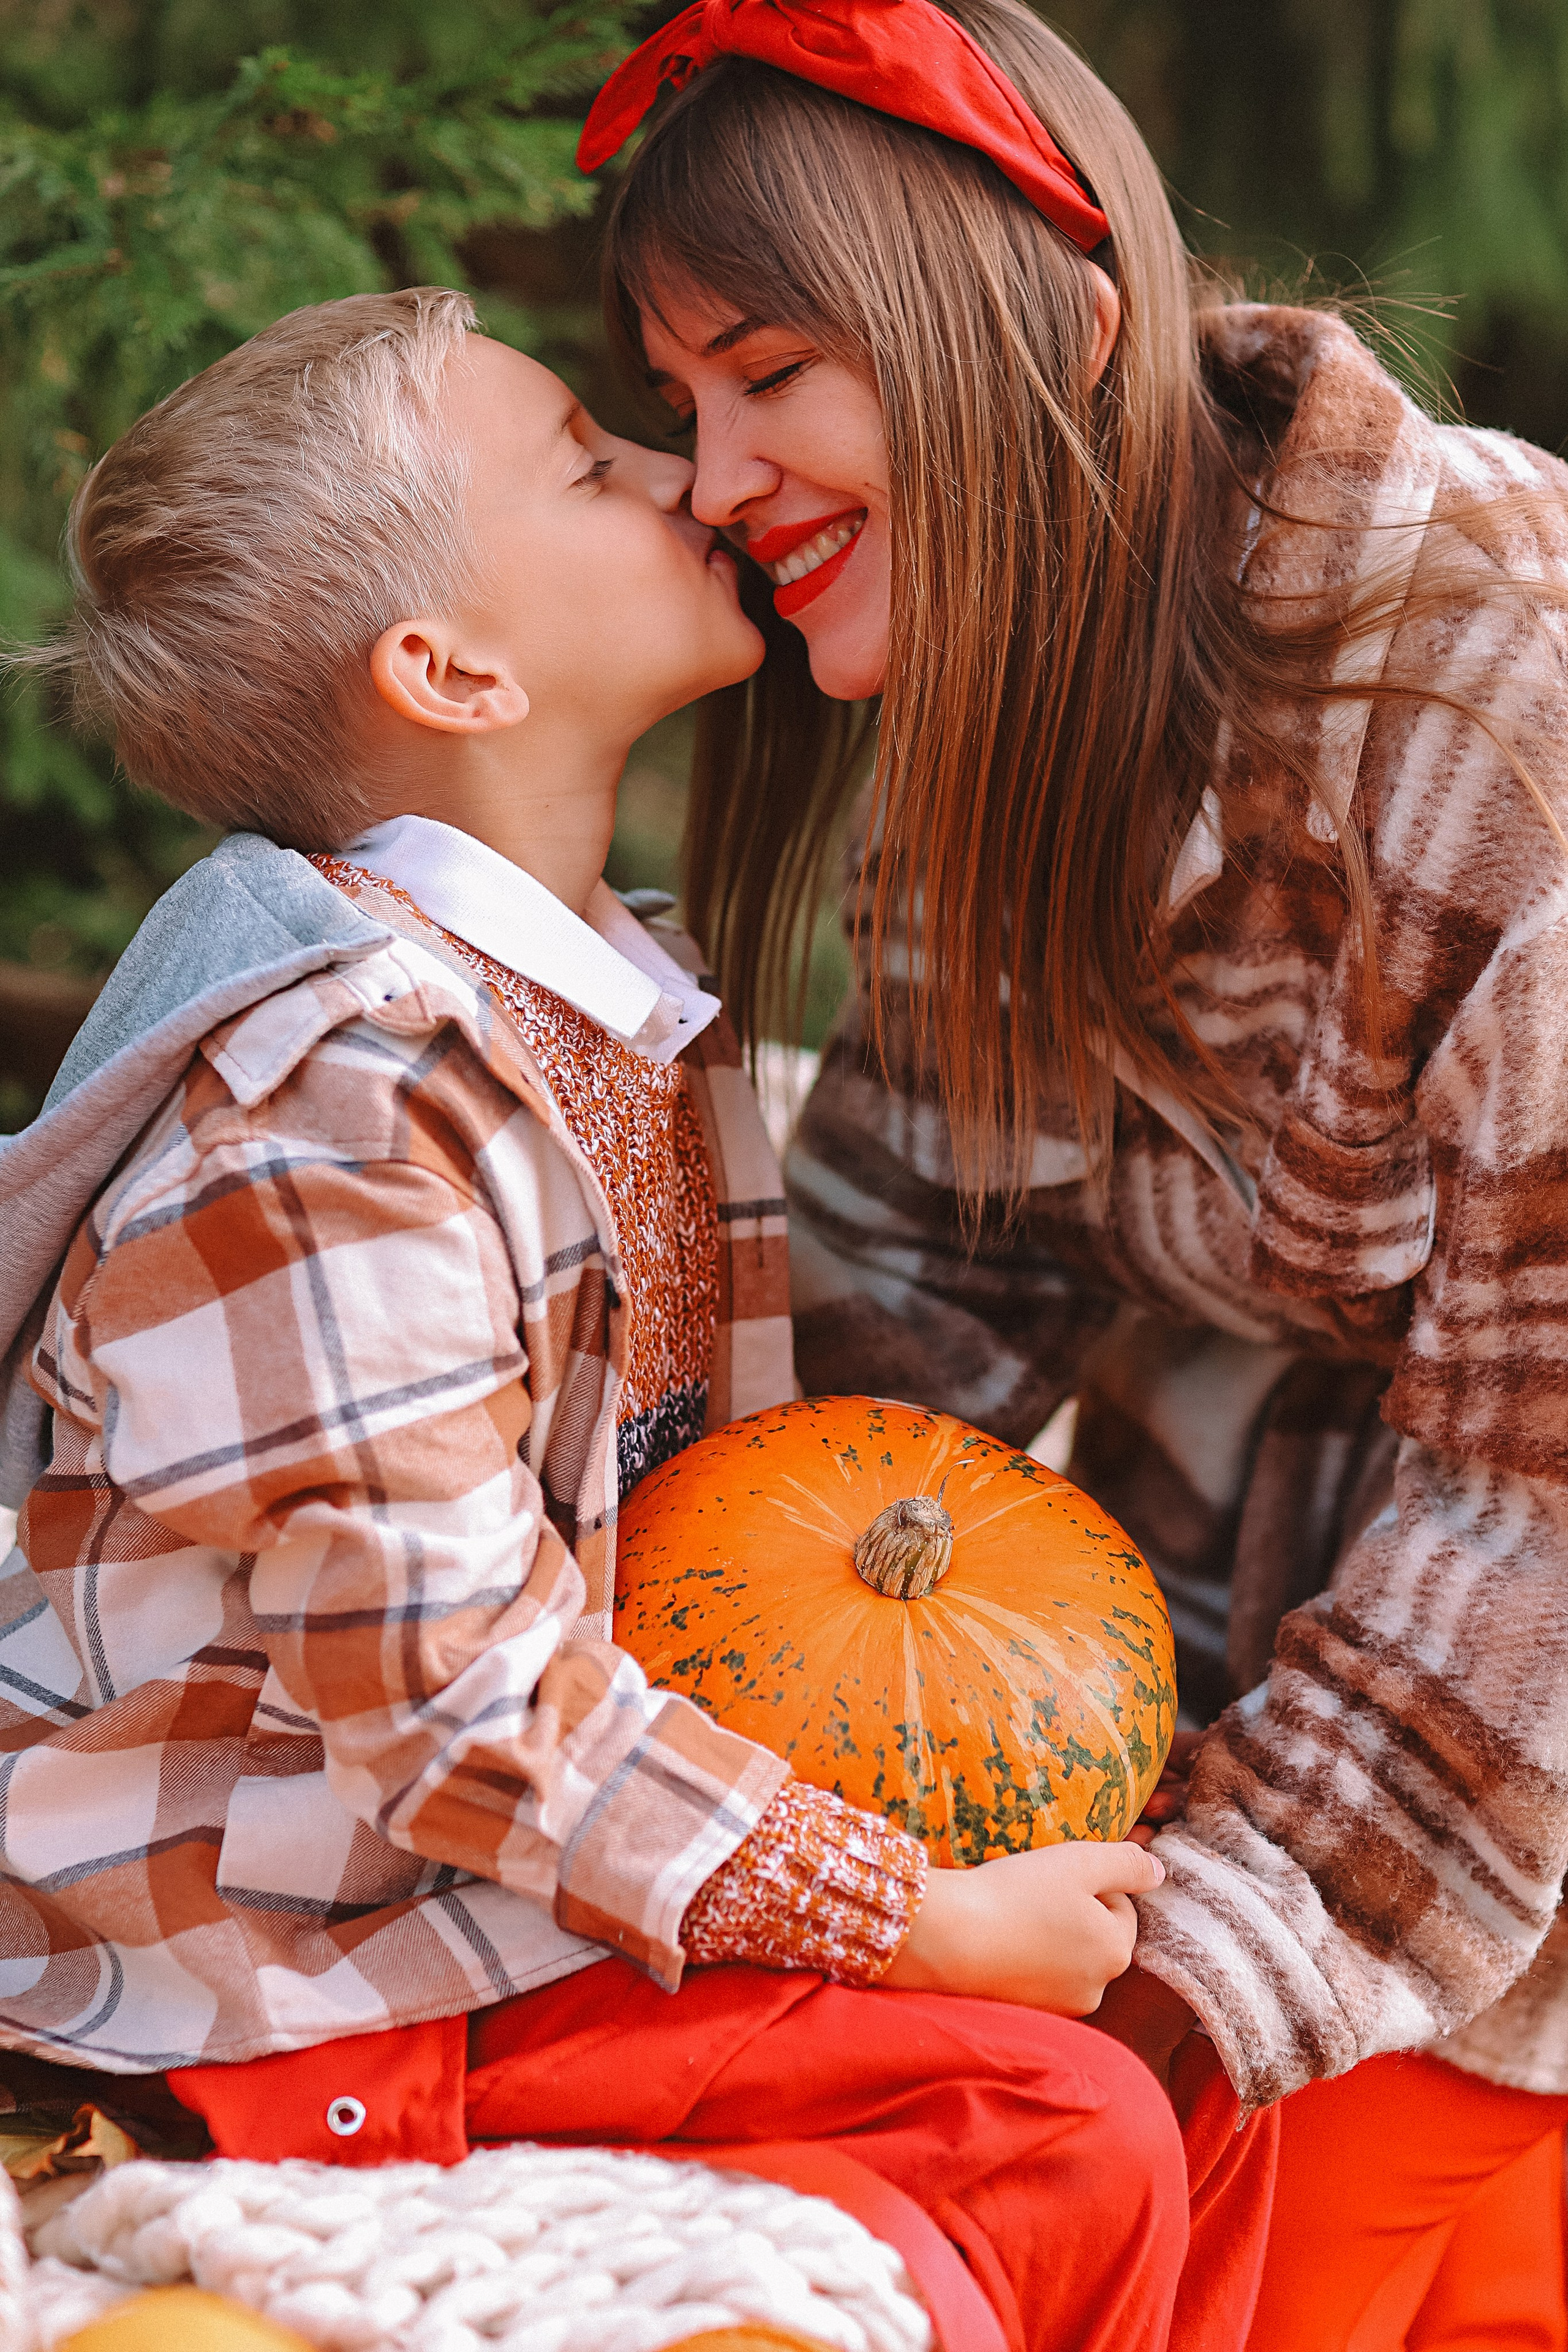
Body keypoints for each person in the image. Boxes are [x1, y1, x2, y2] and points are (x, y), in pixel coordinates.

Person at [0, 285, 1226, 2352]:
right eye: (591, 462)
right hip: (283, 1972)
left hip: (513, 1883)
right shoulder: (333, 1114)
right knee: (1059, 2120)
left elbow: (703, 1538)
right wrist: (907, 1915)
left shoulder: (618, 1011)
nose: (685, 476)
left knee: (1185, 2023)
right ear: (450, 670)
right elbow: (451, 1703)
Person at [582, 0, 1568, 2343]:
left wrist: (1180, 1966)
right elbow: (905, 1282)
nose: (714, 480)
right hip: (1248, 1653)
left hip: (1483, 1764)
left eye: (771, 374)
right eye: (680, 402)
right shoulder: (1018, 685)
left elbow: (1541, 1506)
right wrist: (629, 1745)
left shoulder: (1508, 703)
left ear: (1062, 334)